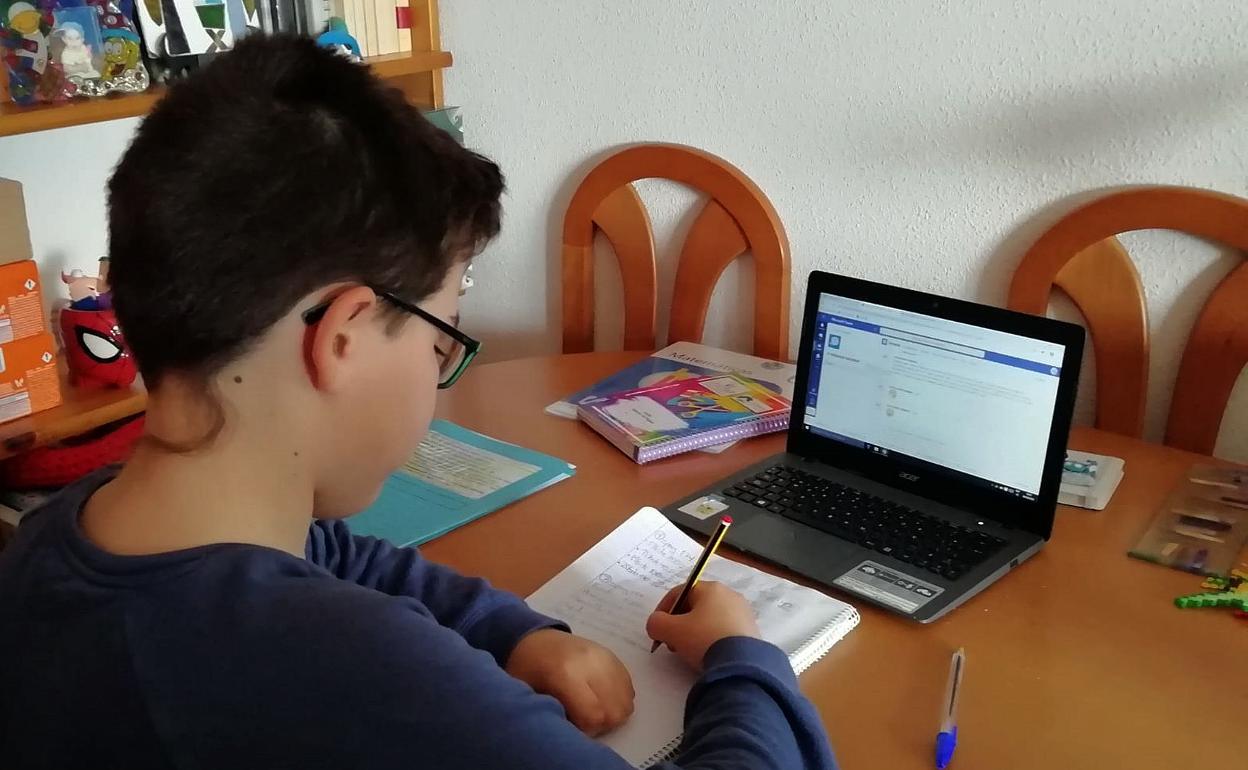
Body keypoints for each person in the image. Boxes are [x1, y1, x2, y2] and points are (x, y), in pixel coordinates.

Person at [0, 35, 837, 770]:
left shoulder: (61, 536)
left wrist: (516, 632)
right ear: (344, 335)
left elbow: (327, 551)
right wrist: (742, 657)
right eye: (442, 338)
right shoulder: (357, 671)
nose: (441, 367)